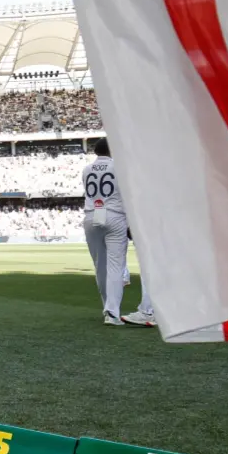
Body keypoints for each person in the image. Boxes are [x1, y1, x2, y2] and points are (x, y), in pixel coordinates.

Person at [81, 138, 128, 326]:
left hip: (92, 215)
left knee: (100, 266)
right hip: (114, 215)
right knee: (116, 266)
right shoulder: (119, 167)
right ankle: (113, 312)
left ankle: (106, 308)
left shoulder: (86, 169)